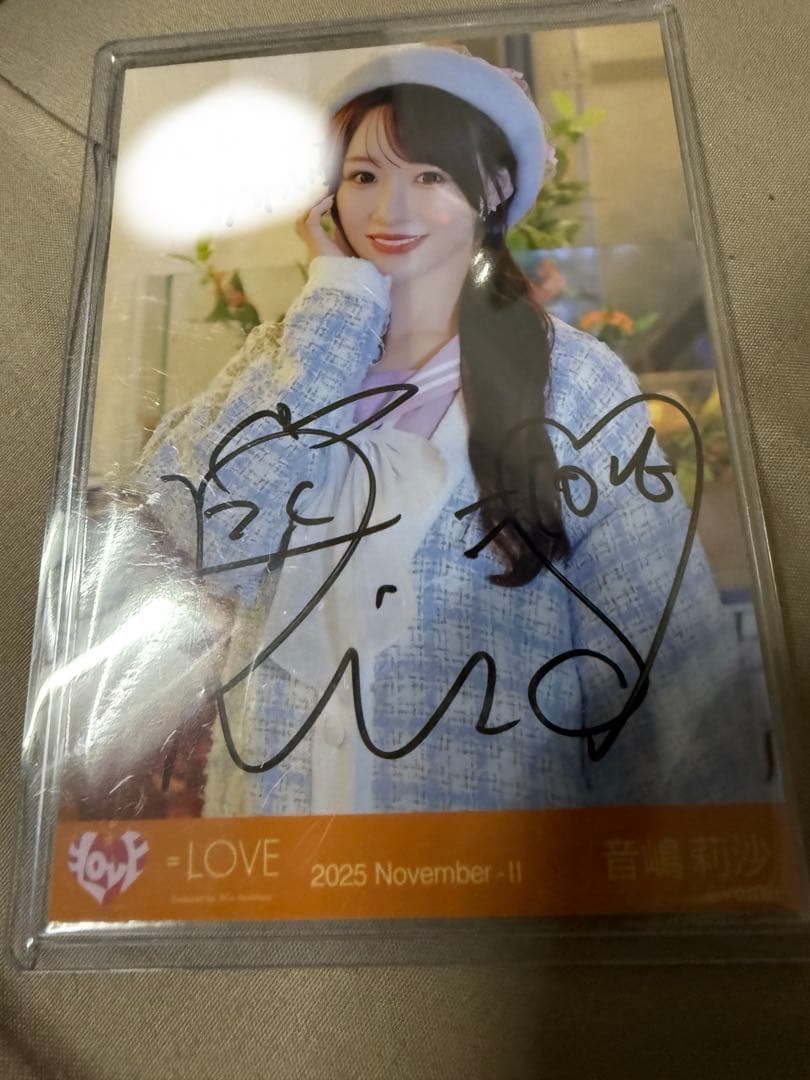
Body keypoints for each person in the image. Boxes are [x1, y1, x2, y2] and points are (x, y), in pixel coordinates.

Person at [136, 44, 774, 817]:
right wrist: (335, 305)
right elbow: (198, 541)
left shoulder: (573, 380)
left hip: (491, 875)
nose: (390, 210)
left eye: (430, 176)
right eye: (364, 177)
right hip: (272, 865)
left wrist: (700, 866)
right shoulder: (285, 356)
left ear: (495, 189)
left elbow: (672, 669)